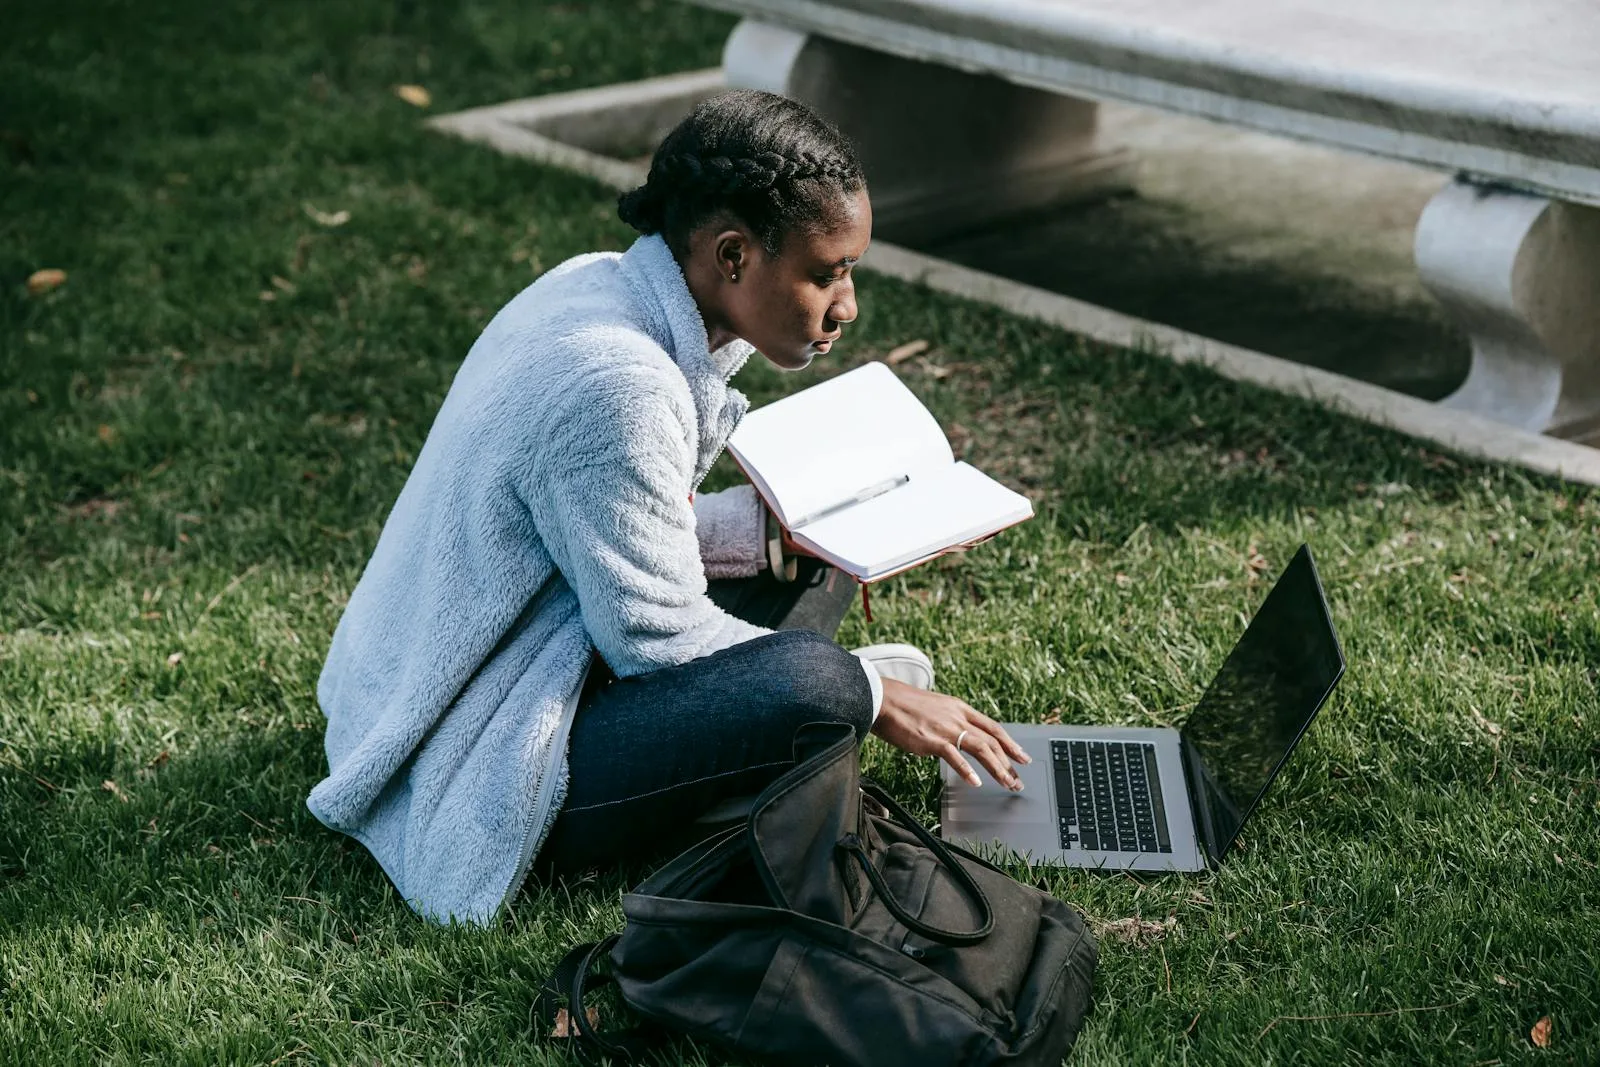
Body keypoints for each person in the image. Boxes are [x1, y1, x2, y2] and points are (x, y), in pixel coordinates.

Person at [307, 90, 1029, 925]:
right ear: (732, 256)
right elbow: (653, 638)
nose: (848, 304)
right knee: (817, 680)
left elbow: (618, 525)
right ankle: (802, 727)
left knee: (812, 542)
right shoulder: (619, 385)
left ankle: (789, 728)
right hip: (478, 748)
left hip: (503, 653)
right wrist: (869, 696)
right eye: (826, 272)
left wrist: (763, 537)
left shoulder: (600, 283)